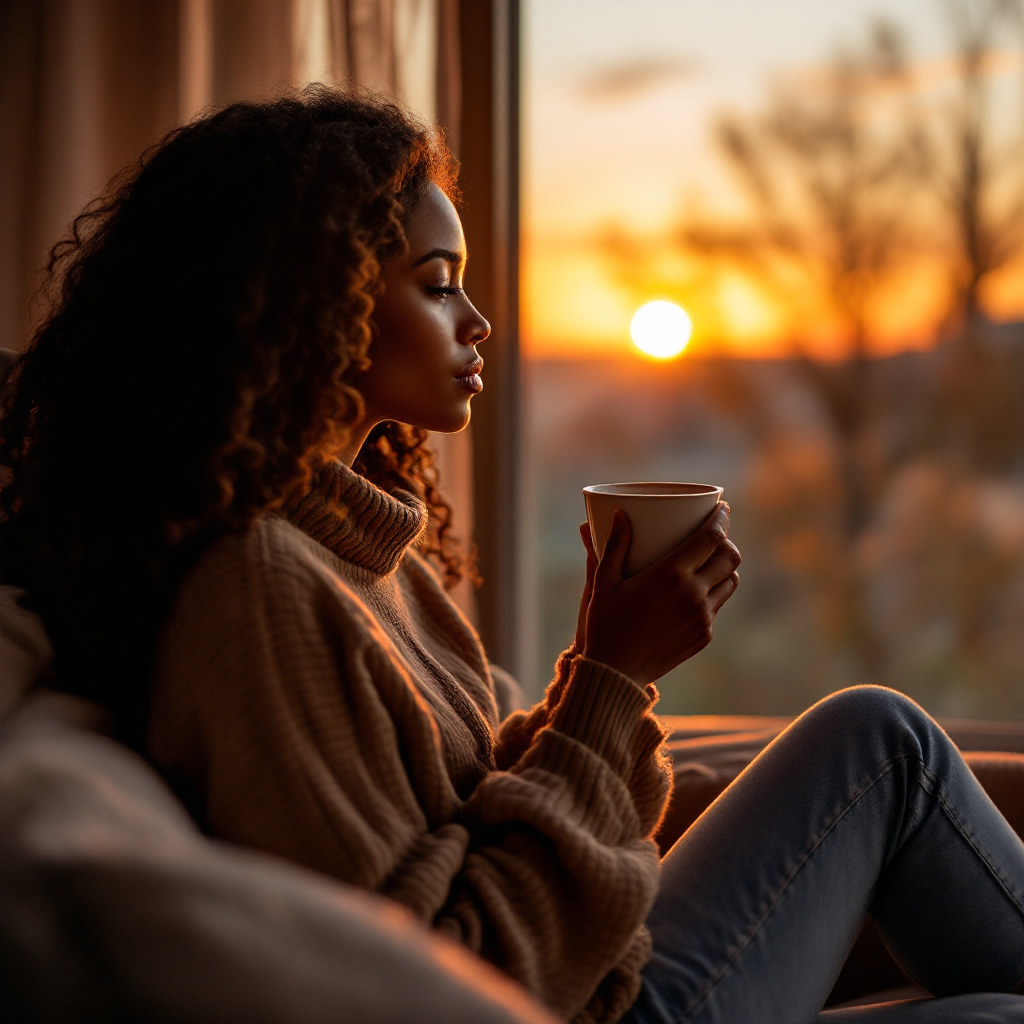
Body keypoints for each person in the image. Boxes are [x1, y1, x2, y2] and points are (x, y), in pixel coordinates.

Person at [0, 86, 1022, 1024]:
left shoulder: (363, 548)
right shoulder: (260, 592)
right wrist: (612, 680)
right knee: (880, 743)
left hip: (598, 969)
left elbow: (480, 814)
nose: (477, 321)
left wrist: (599, 664)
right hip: (586, 1008)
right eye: (437, 285)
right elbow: (454, 972)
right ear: (312, 306)